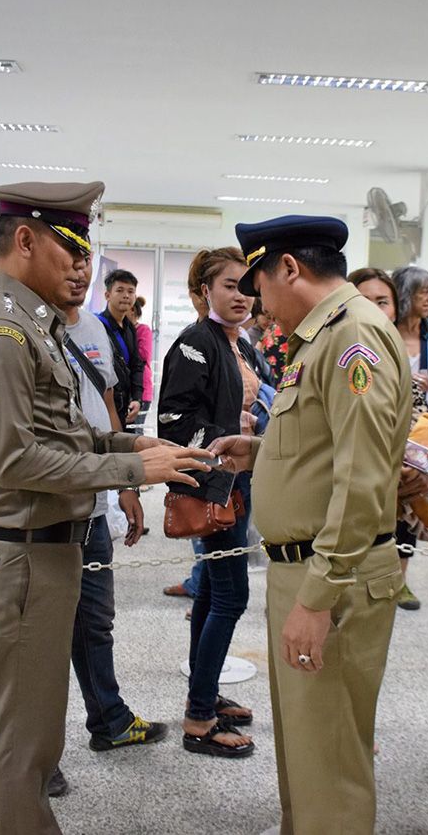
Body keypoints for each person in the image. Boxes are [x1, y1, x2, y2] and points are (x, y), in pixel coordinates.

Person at [0, 180, 212, 835]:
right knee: (26, 736)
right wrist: (131, 468)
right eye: (71, 248)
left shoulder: (31, 325)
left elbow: (59, 436)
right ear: (26, 240)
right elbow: (15, 461)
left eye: (87, 251)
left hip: (32, 551)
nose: (82, 266)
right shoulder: (2, 333)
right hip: (22, 556)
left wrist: (131, 442)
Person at [209, 215, 410, 835]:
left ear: (290, 269)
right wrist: (266, 447)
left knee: (331, 758)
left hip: (332, 578)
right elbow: (327, 445)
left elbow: (363, 478)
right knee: (307, 747)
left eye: (259, 284)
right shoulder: (321, 339)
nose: (258, 304)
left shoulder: (354, 340)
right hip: (310, 571)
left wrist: (318, 599)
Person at [58, 254, 166, 768]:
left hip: (95, 504)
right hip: (46, 511)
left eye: (84, 266)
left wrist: (126, 487)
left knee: (96, 620)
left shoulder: (96, 332)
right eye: (67, 262)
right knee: (40, 632)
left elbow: (103, 405)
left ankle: (109, 719)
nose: (77, 275)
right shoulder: (18, 333)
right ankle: (35, 753)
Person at [159, 246, 262, 759]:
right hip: (216, 483)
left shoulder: (243, 343)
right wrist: (226, 445)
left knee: (211, 595)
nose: (242, 295)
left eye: (248, 286)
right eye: (229, 286)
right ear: (205, 291)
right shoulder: (194, 343)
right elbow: (173, 421)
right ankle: (199, 718)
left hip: (239, 479)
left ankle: (205, 692)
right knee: (230, 597)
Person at [350, 267, 428, 611]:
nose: (374, 309)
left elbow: (418, 415)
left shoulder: (395, 358)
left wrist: (427, 467)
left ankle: (398, 581)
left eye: (382, 301)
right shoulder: (332, 353)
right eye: (364, 300)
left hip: (392, 489)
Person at [392, 266, 428, 412]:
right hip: (391, 412)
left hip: (424, 417)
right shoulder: (385, 333)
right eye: (424, 292)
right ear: (405, 294)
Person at [98, 269, 144, 430]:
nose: (126, 295)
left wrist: (137, 398)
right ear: (107, 295)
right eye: (120, 290)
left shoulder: (130, 328)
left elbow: (137, 364)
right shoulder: (97, 326)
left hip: (125, 404)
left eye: (131, 291)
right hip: (103, 406)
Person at [129, 295, 154, 428]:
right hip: (128, 388)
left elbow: (143, 355)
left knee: (136, 431)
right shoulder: (124, 331)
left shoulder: (143, 330)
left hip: (142, 390)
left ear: (132, 310)